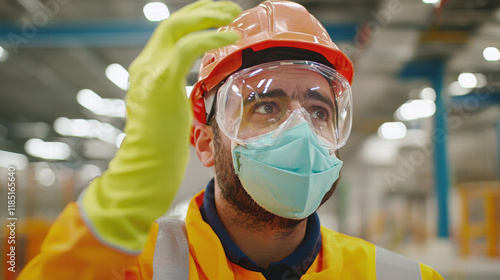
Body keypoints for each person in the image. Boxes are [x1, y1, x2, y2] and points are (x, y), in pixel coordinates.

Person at [19, 0, 444, 279]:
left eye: (319, 111)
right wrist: (119, 202)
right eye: (265, 106)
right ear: (205, 142)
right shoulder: (134, 267)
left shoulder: (395, 275)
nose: (299, 131)